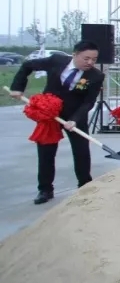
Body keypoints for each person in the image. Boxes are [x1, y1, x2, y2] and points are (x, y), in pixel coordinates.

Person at [9, 41, 105, 205]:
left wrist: (74, 119)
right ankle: (45, 189)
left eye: (94, 59)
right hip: (49, 114)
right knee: (46, 152)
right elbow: (27, 66)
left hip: (75, 116)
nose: (90, 62)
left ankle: (84, 185)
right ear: (75, 54)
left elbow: (88, 102)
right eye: (86, 58)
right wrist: (18, 87)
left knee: (81, 151)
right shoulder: (56, 61)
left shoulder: (96, 76)